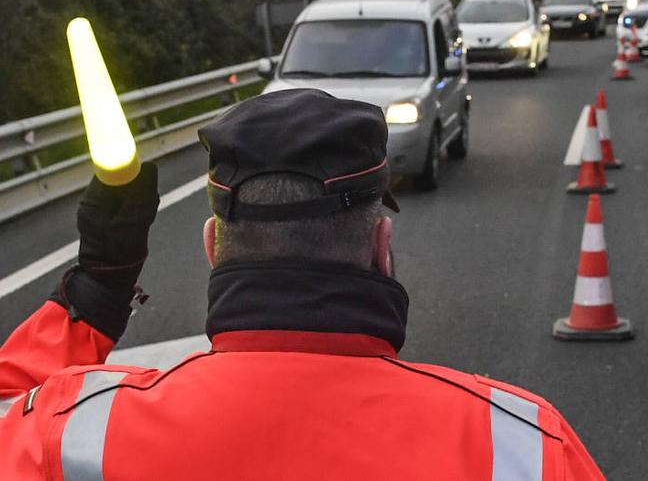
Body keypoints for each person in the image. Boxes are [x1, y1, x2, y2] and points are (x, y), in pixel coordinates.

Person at [0, 88, 603, 479]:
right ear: (380, 248)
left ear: (214, 248)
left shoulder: (71, 433)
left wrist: (96, 293)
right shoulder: (524, 447)